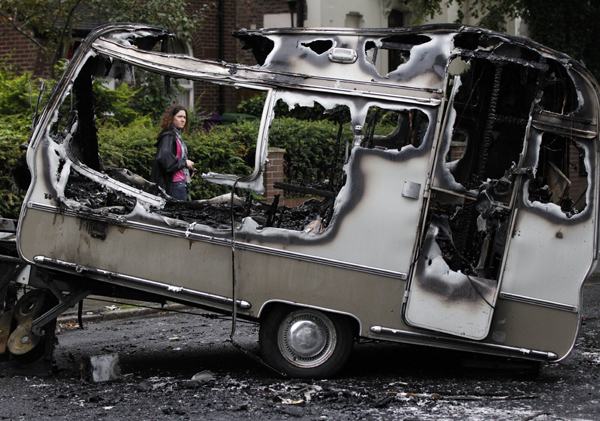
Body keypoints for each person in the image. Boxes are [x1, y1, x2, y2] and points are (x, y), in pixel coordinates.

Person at [151, 104, 195, 201]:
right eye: (179, 117)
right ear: (171, 118)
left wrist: (187, 169)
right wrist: (184, 163)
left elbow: (175, 158)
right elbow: (165, 159)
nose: (183, 120)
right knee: (178, 216)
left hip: (178, 183)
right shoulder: (169, 136)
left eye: (184, 117)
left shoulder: (176, 136)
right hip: (174, 185)